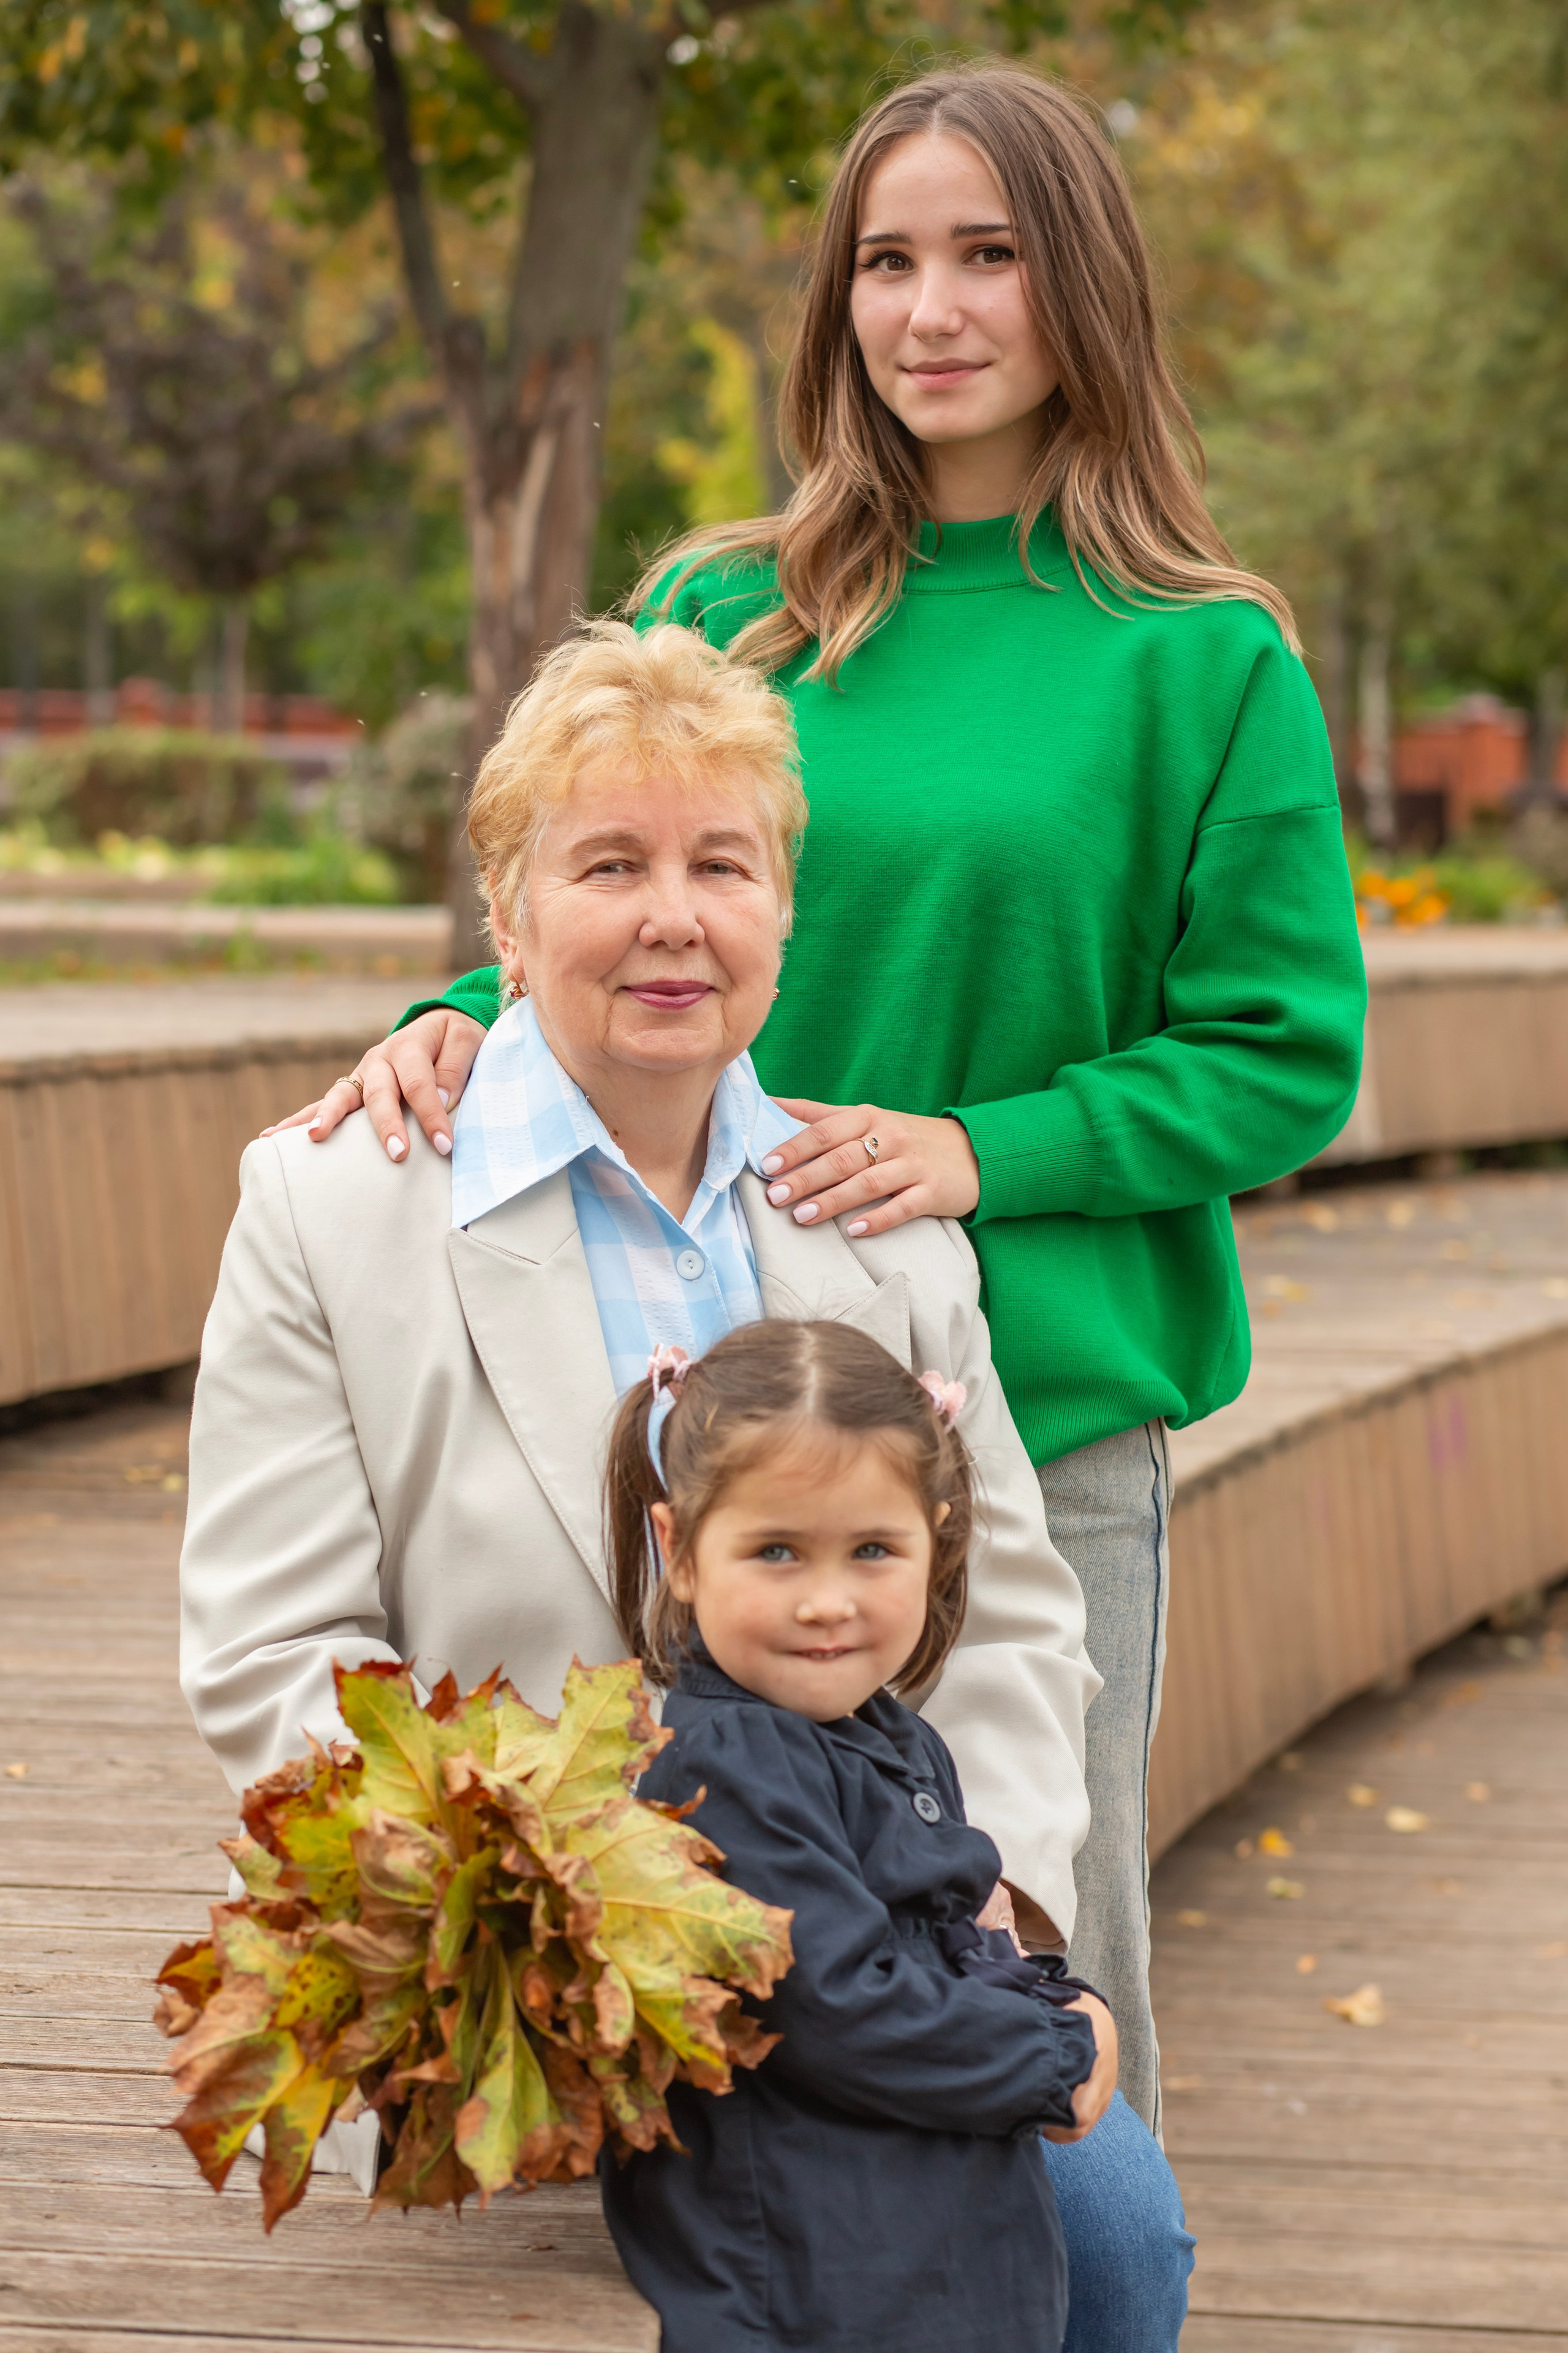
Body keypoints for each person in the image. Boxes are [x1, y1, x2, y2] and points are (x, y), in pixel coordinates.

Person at [286, 58, 1363, 2145]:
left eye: (990, 256)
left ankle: (1071, 2280)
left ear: (1083, 288)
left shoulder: (1204, 659)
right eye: (887, 262)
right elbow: (611, 902)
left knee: (1035, 1970)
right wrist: (453, 1019)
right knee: (692, 1979)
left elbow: (1282, 1052)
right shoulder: (728, 610)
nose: (929, 310)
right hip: (713, 1411)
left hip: (1039, 1405)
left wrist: (984, 1150)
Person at [179, 616, 1099, 2189]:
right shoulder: (331, 1206)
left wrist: (990, 1927)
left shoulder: (880, 1228)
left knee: (1116, 2247)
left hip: (879, 1977)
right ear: (506, 916)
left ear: (781, 914)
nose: (673, 918)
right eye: (609, 866)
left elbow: (1004, 1616)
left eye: (722, 866)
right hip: (526, 2011)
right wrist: (546, 1935)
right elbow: (278, 1649)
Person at [597, 1316, 1118, 2353]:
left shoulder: (889, 1734)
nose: (827, 1602)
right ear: (680, 1550)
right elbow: (832, 2002)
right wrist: (1053, 2051)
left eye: (873, 1550)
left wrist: (1058, 1996)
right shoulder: (726, 1765)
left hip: (924, 2254)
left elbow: (958, 1936)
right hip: (821, 2285)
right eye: (776, 1551)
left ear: (937, 1540)